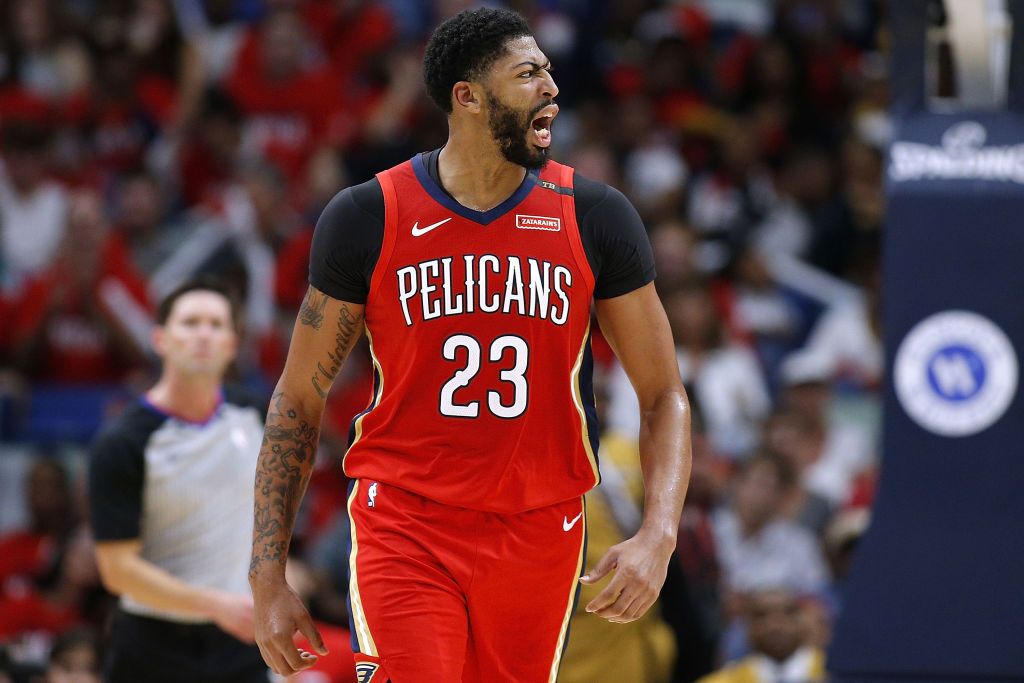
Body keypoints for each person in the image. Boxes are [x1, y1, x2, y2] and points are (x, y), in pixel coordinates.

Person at [248, 8, 692, 682]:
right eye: (528, 73)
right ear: (469, 96)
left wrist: (659, 534)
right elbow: (298, 399)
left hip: (541, 530)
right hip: (407, 525)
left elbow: (663, 395)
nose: (551, 87)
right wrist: (267, 574)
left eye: (548, 71)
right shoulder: (368, 216)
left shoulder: (596, 216)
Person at [88, 277, 269, 683]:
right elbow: (117, 570)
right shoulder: (124, 442)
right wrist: (216, 606)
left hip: (241, 645)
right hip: (153, 647)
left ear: (232, 344)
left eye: (215, 324)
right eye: (190, 323)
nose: (203, 334)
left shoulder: (257, 415)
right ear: (160, 339)